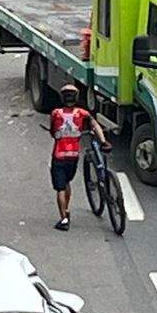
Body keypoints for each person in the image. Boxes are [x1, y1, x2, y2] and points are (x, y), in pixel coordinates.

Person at [48, 81, 108, 231]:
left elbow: (52, 131)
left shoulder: (56, 113)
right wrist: (104, 141)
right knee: (67, 182)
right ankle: (66, 209)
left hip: (59, 156)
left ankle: (64, 219)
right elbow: (95, 126)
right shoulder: (82, 113)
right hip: (73, 156)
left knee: (60, 188)